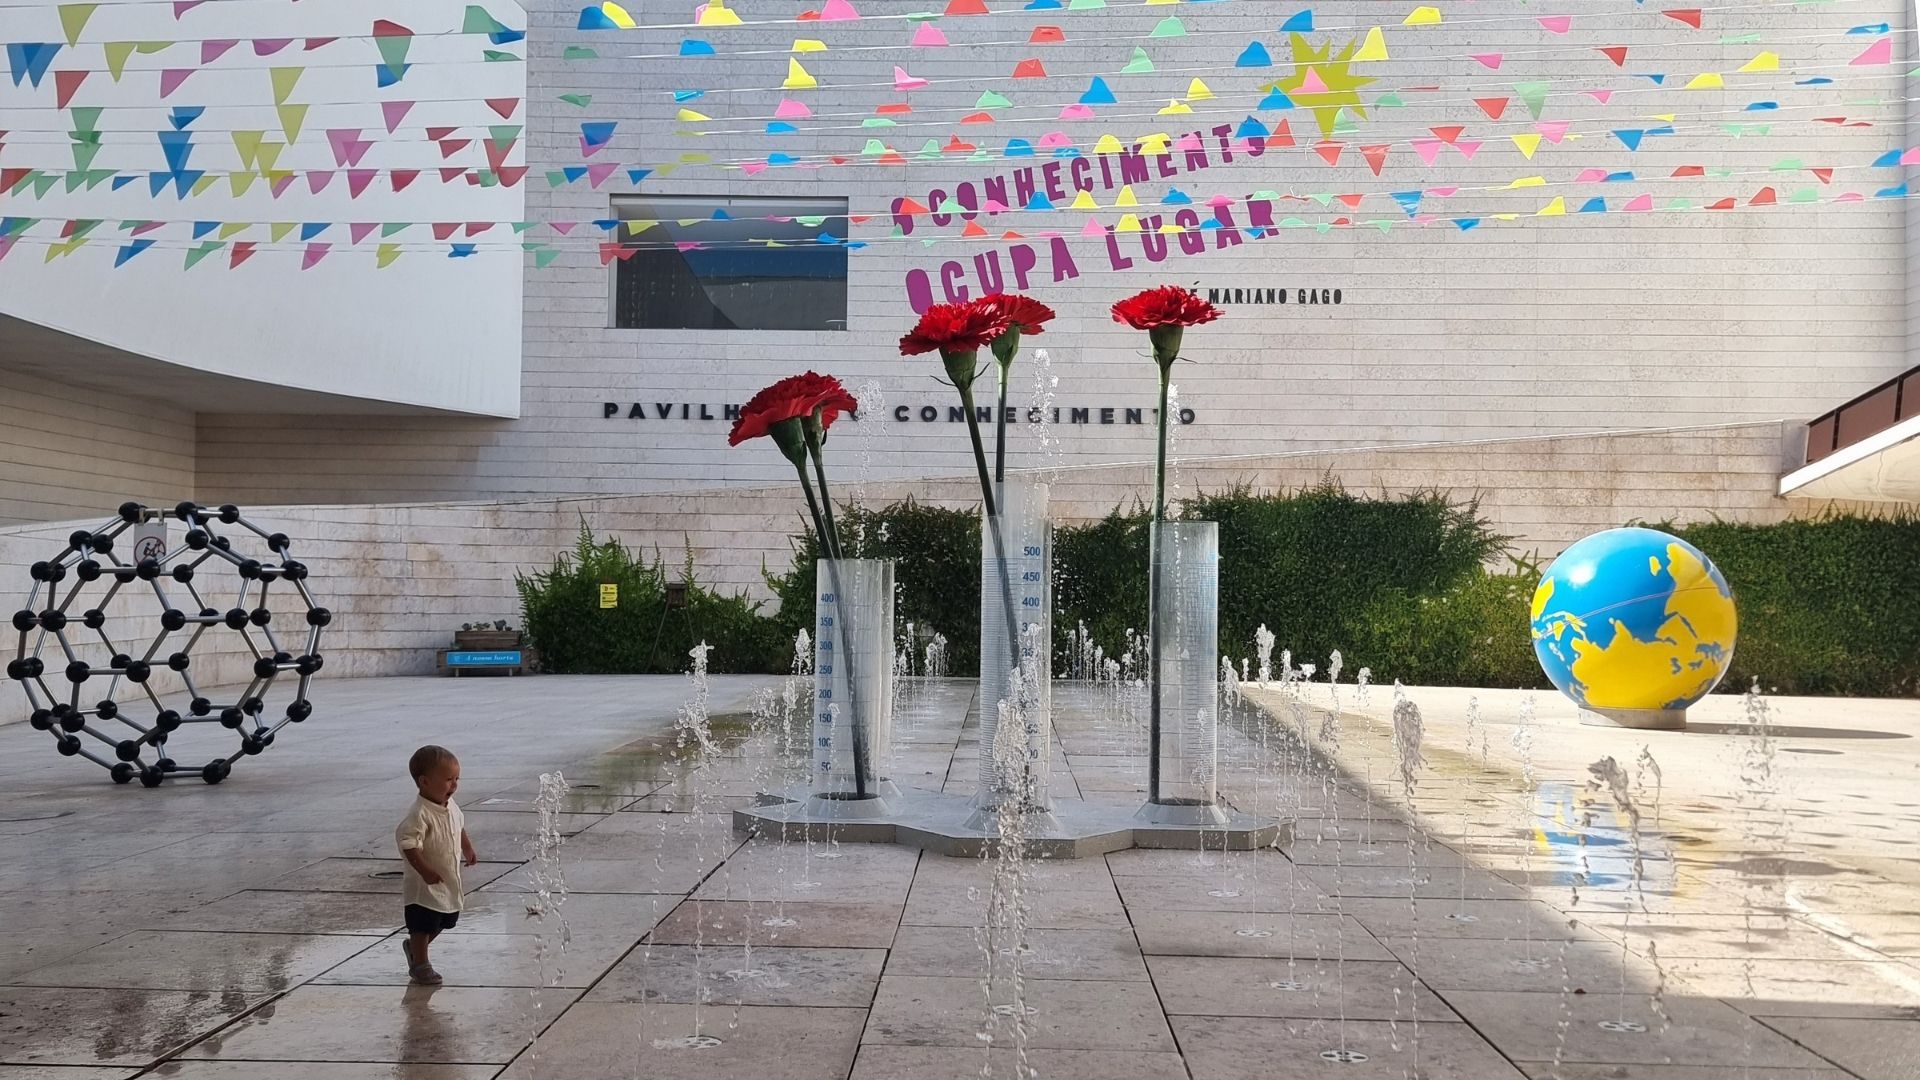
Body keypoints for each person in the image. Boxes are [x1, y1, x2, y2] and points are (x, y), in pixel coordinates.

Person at [396, 744, 477, 985]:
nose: (454, 785)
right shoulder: (419, 814)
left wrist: (468, 848)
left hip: (446, 878)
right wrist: (423, 870)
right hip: (424, 884)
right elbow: (408, 844)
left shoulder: (451, 805)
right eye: (448, 780)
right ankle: (421, 964)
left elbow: (459, 826)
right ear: (424, 782)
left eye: (456, 779)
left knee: (446, 917)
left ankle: (414, 949)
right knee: (422, 922)